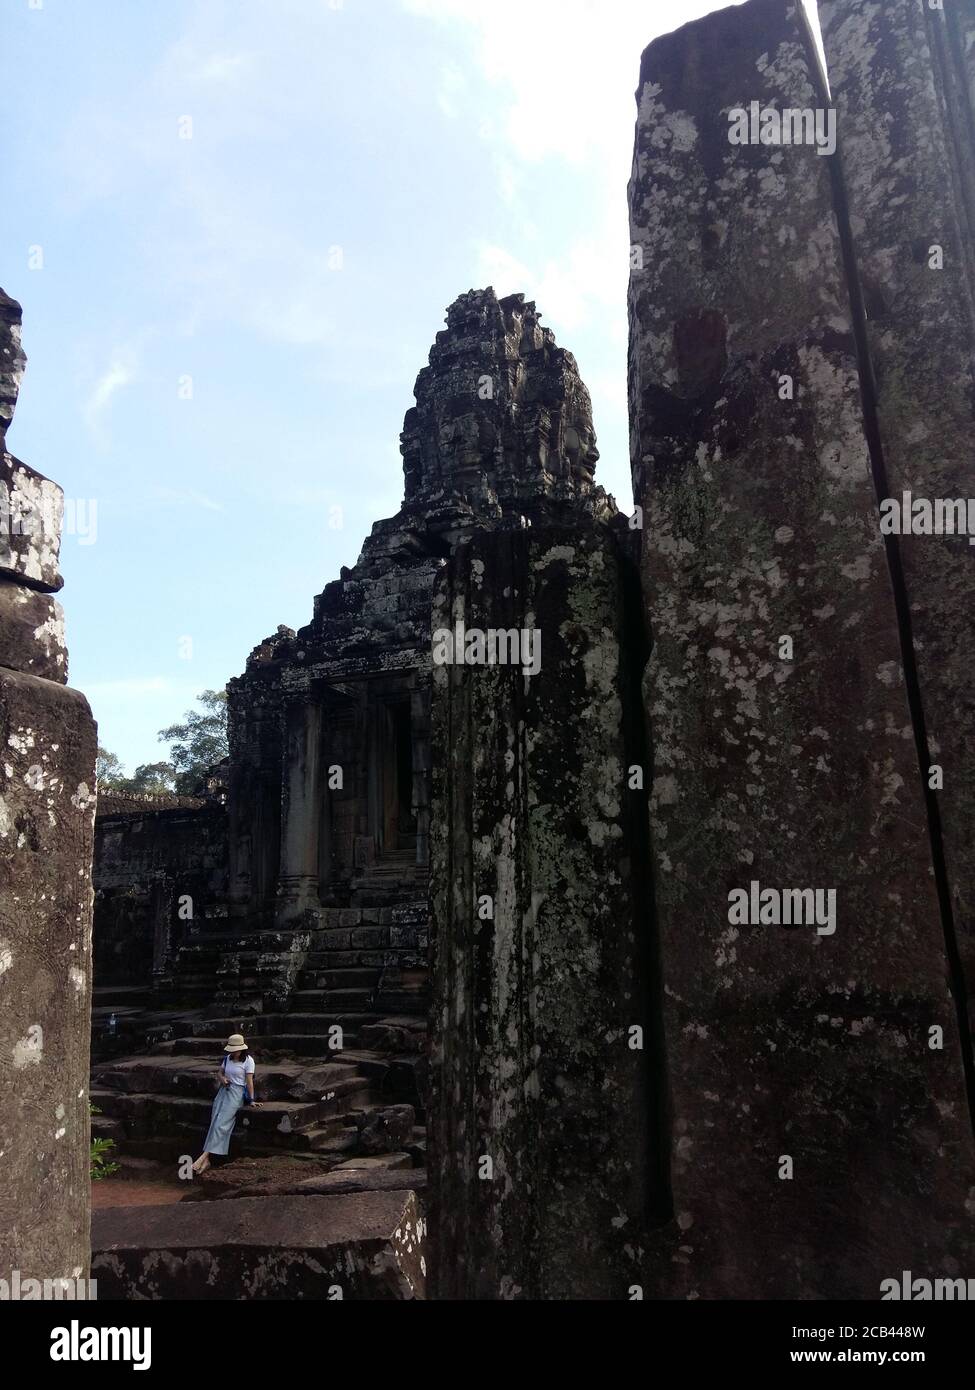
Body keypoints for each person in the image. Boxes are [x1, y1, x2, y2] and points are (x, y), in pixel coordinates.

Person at [192, 1033, 260, 1174]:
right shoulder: (227, 1059)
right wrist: (222, 1079)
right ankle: (206, 1160)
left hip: (236, 1094)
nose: (233, 1052)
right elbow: (219, 1073)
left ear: (241, 1049)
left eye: (235, 1049)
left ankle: (204, 1156)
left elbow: (249, 1081)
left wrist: (251, 1099)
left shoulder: (248, 1061)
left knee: (221, 1124)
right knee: (214, 1122)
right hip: (223, 1092)